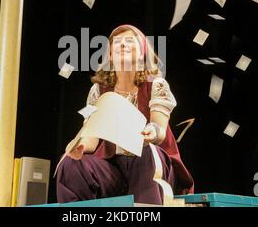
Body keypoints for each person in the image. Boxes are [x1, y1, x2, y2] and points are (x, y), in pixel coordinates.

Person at [56, 24, 194, 205]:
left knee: (146, 152)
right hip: (115, 169)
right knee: (72, 163)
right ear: (111, 55)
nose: (122, 45)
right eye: (117, 42)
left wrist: (152, 132)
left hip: (150, 163)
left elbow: (159, 129)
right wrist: (80, 146)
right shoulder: (98, 90)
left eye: (129, 41)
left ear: (142, 52)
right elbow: (91, 135)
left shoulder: (156, 84)